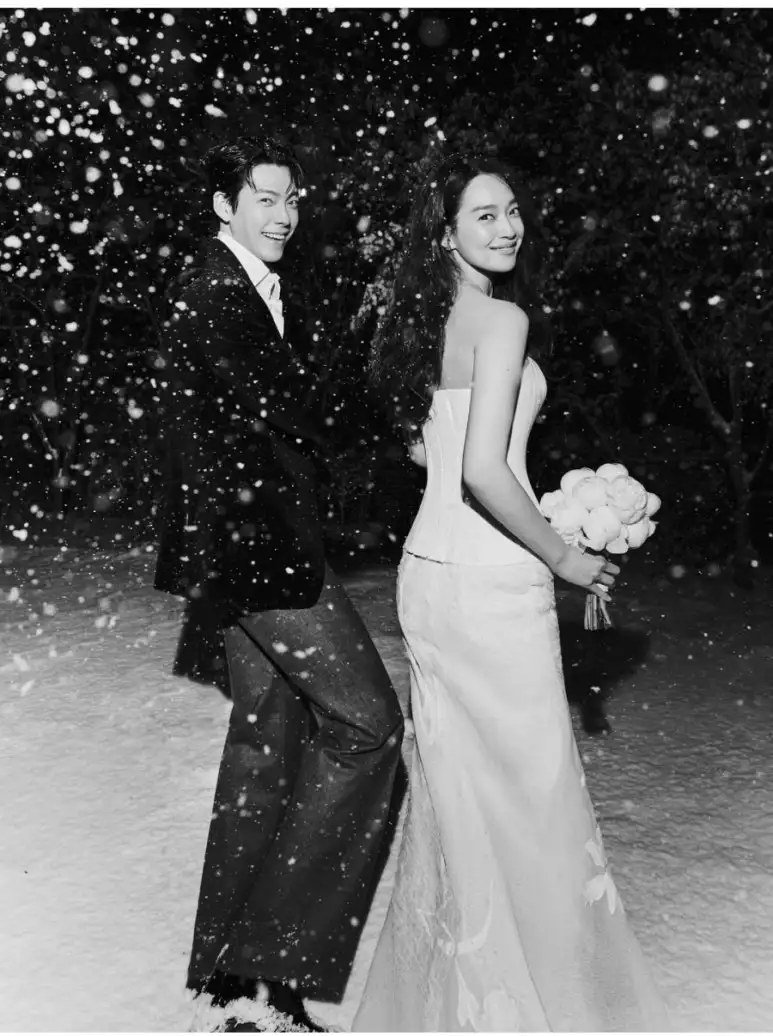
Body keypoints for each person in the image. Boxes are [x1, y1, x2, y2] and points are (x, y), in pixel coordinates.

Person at [352, 154, 671, 1031]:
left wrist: (554, 508)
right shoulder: (500, 320)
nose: (506, 228)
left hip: (429, 577)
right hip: (491, 583)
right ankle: (549, 1005)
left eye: (512, 211)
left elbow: (426, 452)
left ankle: (466, 1004)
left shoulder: (422, 323)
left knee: (458, 799)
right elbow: (484, 471)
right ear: (444, 233)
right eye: (483, 215)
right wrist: (563, 554)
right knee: (534, 796)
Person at [153, 135, 404, 1032]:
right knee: (368, 726)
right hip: (256, 554)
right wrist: (402, 409)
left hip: (240, 550)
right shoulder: (216, 293)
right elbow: (295, 407)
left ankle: (231, 974)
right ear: (224, 205)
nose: (285, 214)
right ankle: (271, 953)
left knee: (265, 741)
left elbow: (276, 412)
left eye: (292, 198)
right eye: (265, 197)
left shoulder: (245, 285)